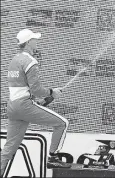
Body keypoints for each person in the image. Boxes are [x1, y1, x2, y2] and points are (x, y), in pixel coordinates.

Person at [1, 29, 71, 176]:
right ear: (28, 43)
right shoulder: (30, 61)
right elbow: (36, 88)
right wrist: (52, 92)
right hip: (24, 107)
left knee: (8, 150)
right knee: (62, 123)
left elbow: (22, 89)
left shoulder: (14, 60)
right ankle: (53, 157)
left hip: (13, 107)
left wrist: (38, 101)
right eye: (34, 39)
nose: (37, 41)